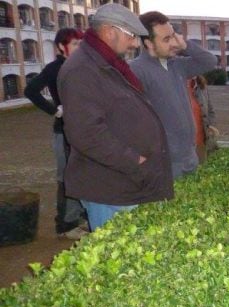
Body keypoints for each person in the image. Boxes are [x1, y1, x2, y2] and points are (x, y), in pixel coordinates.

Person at [57, 3, 173, 230]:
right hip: (110, 189)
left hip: (125, 183)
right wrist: (136, 161)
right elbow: (86, 134)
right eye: (131, 36)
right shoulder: (82, 70)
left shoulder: (108, 64)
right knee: (115, 260)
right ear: (110, 32)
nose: (134, 44)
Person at [129, 11, 217, 179]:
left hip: (189, 156)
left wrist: (185, 45)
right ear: (148, 43)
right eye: (166, 39)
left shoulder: (176, 65)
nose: (173, 43)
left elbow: (209, 61)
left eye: (173, 36)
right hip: (165, 163)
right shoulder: (136, 71)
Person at [23, 28, 88, 240]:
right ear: (62, 46)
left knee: (84, 174)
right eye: (75, 44)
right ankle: (65, 225)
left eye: (81, 44)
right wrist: (55, 109)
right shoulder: (54, 68)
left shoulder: (82, 66)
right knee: (67, 177)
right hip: (64, 132)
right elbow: (30, 90)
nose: (80, 48)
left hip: (85, 131)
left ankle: (79, 216)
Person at [188, 75, 219, 162]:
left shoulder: (202, 86)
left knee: (200, 171)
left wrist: (212, 126)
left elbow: (210, 110)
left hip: (200, 142)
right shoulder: (174, 86)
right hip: (182, 147)